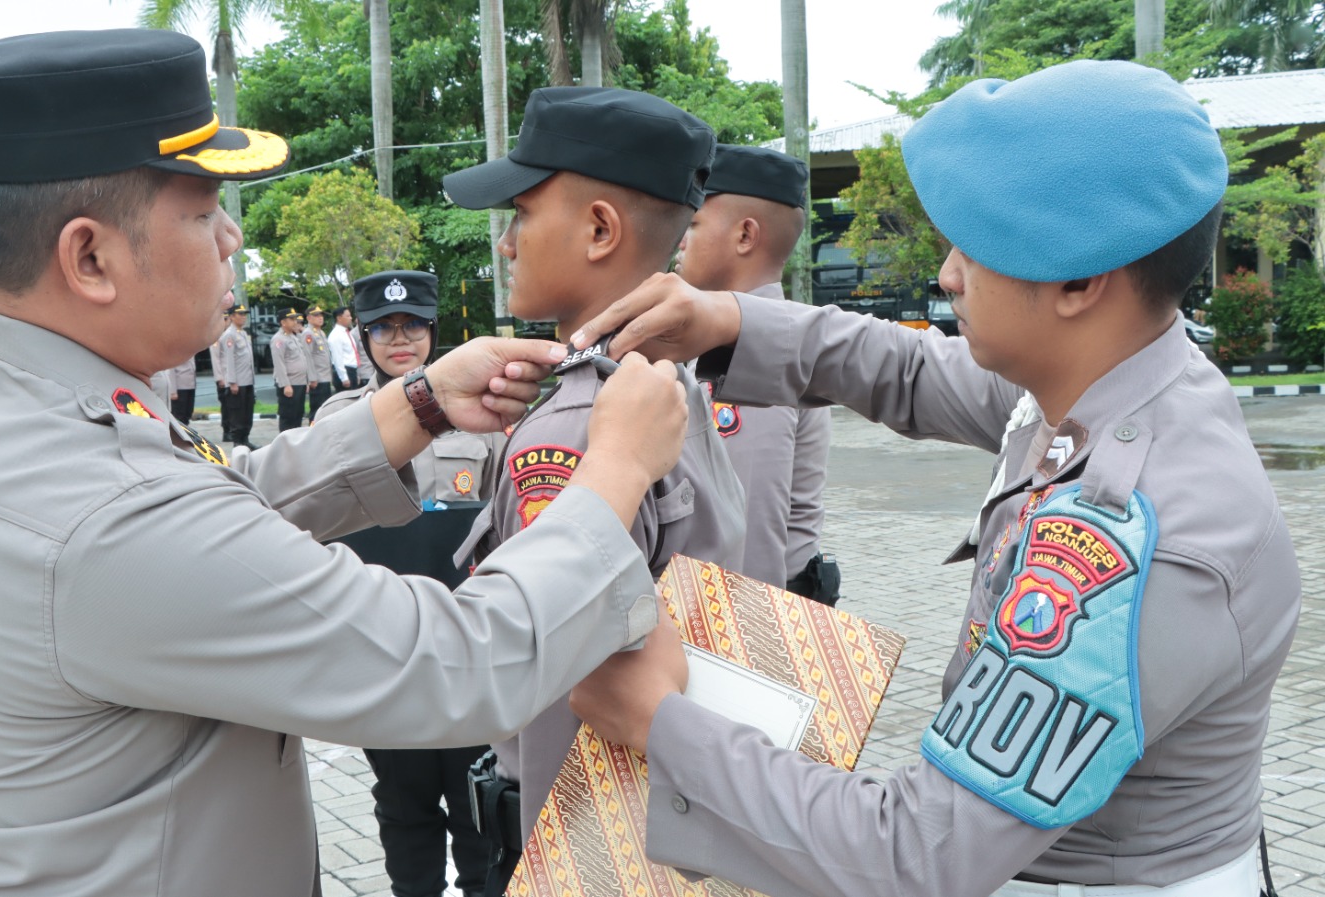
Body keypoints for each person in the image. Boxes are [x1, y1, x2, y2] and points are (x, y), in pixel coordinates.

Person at [0, 28, 696, 897]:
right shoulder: (101, 510)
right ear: (90, 257)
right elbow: (449, 664)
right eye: (202, 211)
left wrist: (416, 404)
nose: (232, 237)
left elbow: (215, 509)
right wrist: (615, 468)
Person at [566, 60, 1300, 896]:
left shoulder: (1146, 538)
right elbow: (912, 368)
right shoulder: (1113, 374)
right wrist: (726, 318)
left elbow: (915, 852)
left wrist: (662, 722)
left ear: (1080, 282)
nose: (948, 273)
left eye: (976, 247)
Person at [442, 85, 746, 897]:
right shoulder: (665, 381)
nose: (506, 243)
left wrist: (555, 872)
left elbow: (557, 684)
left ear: (600, 229)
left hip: (586, 847)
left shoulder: (574, 427)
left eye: (523, 214)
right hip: (676, 823)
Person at [316, 271, 501, 897]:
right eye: (385, 329)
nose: (401, 340)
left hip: (465, 648)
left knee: (480, 807)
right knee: (404, 807)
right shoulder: (338, 421)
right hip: (384, 650)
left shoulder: (482, 416)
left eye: (414, 326)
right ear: (363, 337)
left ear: (432, 333)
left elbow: (506, 528)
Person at [672, 143, 838, 598]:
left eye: (693, 224)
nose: (679, 240)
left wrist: (739, 651)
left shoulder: (755, 351)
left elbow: (749, 531)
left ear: (745, 236)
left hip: (750, 608)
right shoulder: (765, 340)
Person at [217, 305, 256, 448]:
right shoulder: (229, 335)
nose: (243, 317)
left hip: (247, 380)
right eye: (240, 314)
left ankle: (245, 440)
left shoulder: (243, 334)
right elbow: (229, 360)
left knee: (247, 413)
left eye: (244, 314)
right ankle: (238, 442)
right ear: (232, 316)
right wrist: (232, 382)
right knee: (237, 414)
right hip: (237, 382)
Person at [271, 308, 309, 430]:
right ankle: (285, 444)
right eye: (292, 319)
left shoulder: (293, 337)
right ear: (283, 322)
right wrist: (285, 384)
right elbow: (279, 364)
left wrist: (306, 381)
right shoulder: (279, 339)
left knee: (298, 414)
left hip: (299, 382)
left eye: (295, 319)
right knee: (288, 416)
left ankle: (295, 443)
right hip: (290, 383)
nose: (295, 322)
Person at [303, 305, 334, 420]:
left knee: (325, 409)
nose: (320, 318)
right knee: (316, 410)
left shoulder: (320, 333)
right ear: (309, 318)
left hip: (325, 376)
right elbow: (308, 356)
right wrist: (312, 378)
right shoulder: (308, 334)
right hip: (318, 378)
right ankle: (313, 432)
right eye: (316, 315)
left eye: (321, 315)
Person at [210, 304, 231, 440]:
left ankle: (231, 429)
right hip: (224, 377)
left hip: (231, 376)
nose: (226, 322)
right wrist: (219, 378)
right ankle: (226, 430)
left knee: (232, 406)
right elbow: (215, 359)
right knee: (226, 405)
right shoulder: (216, 337)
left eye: (227, 319)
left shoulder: (230, 335)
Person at [328, 305, 361, 389]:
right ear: (339, 318)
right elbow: (337, 358)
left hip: (352, 371)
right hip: (345, 371)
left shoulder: (347, 333)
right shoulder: (336, 335)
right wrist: (344, 378)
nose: (350, 318)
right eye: (347, 316)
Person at [164, 354, 197, 425]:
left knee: (188, 413)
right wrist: (173, 391)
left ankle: (185, 433)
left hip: (190, 385)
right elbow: (171, 370)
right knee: (179, 416)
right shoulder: (176, 347)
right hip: (180, 387)